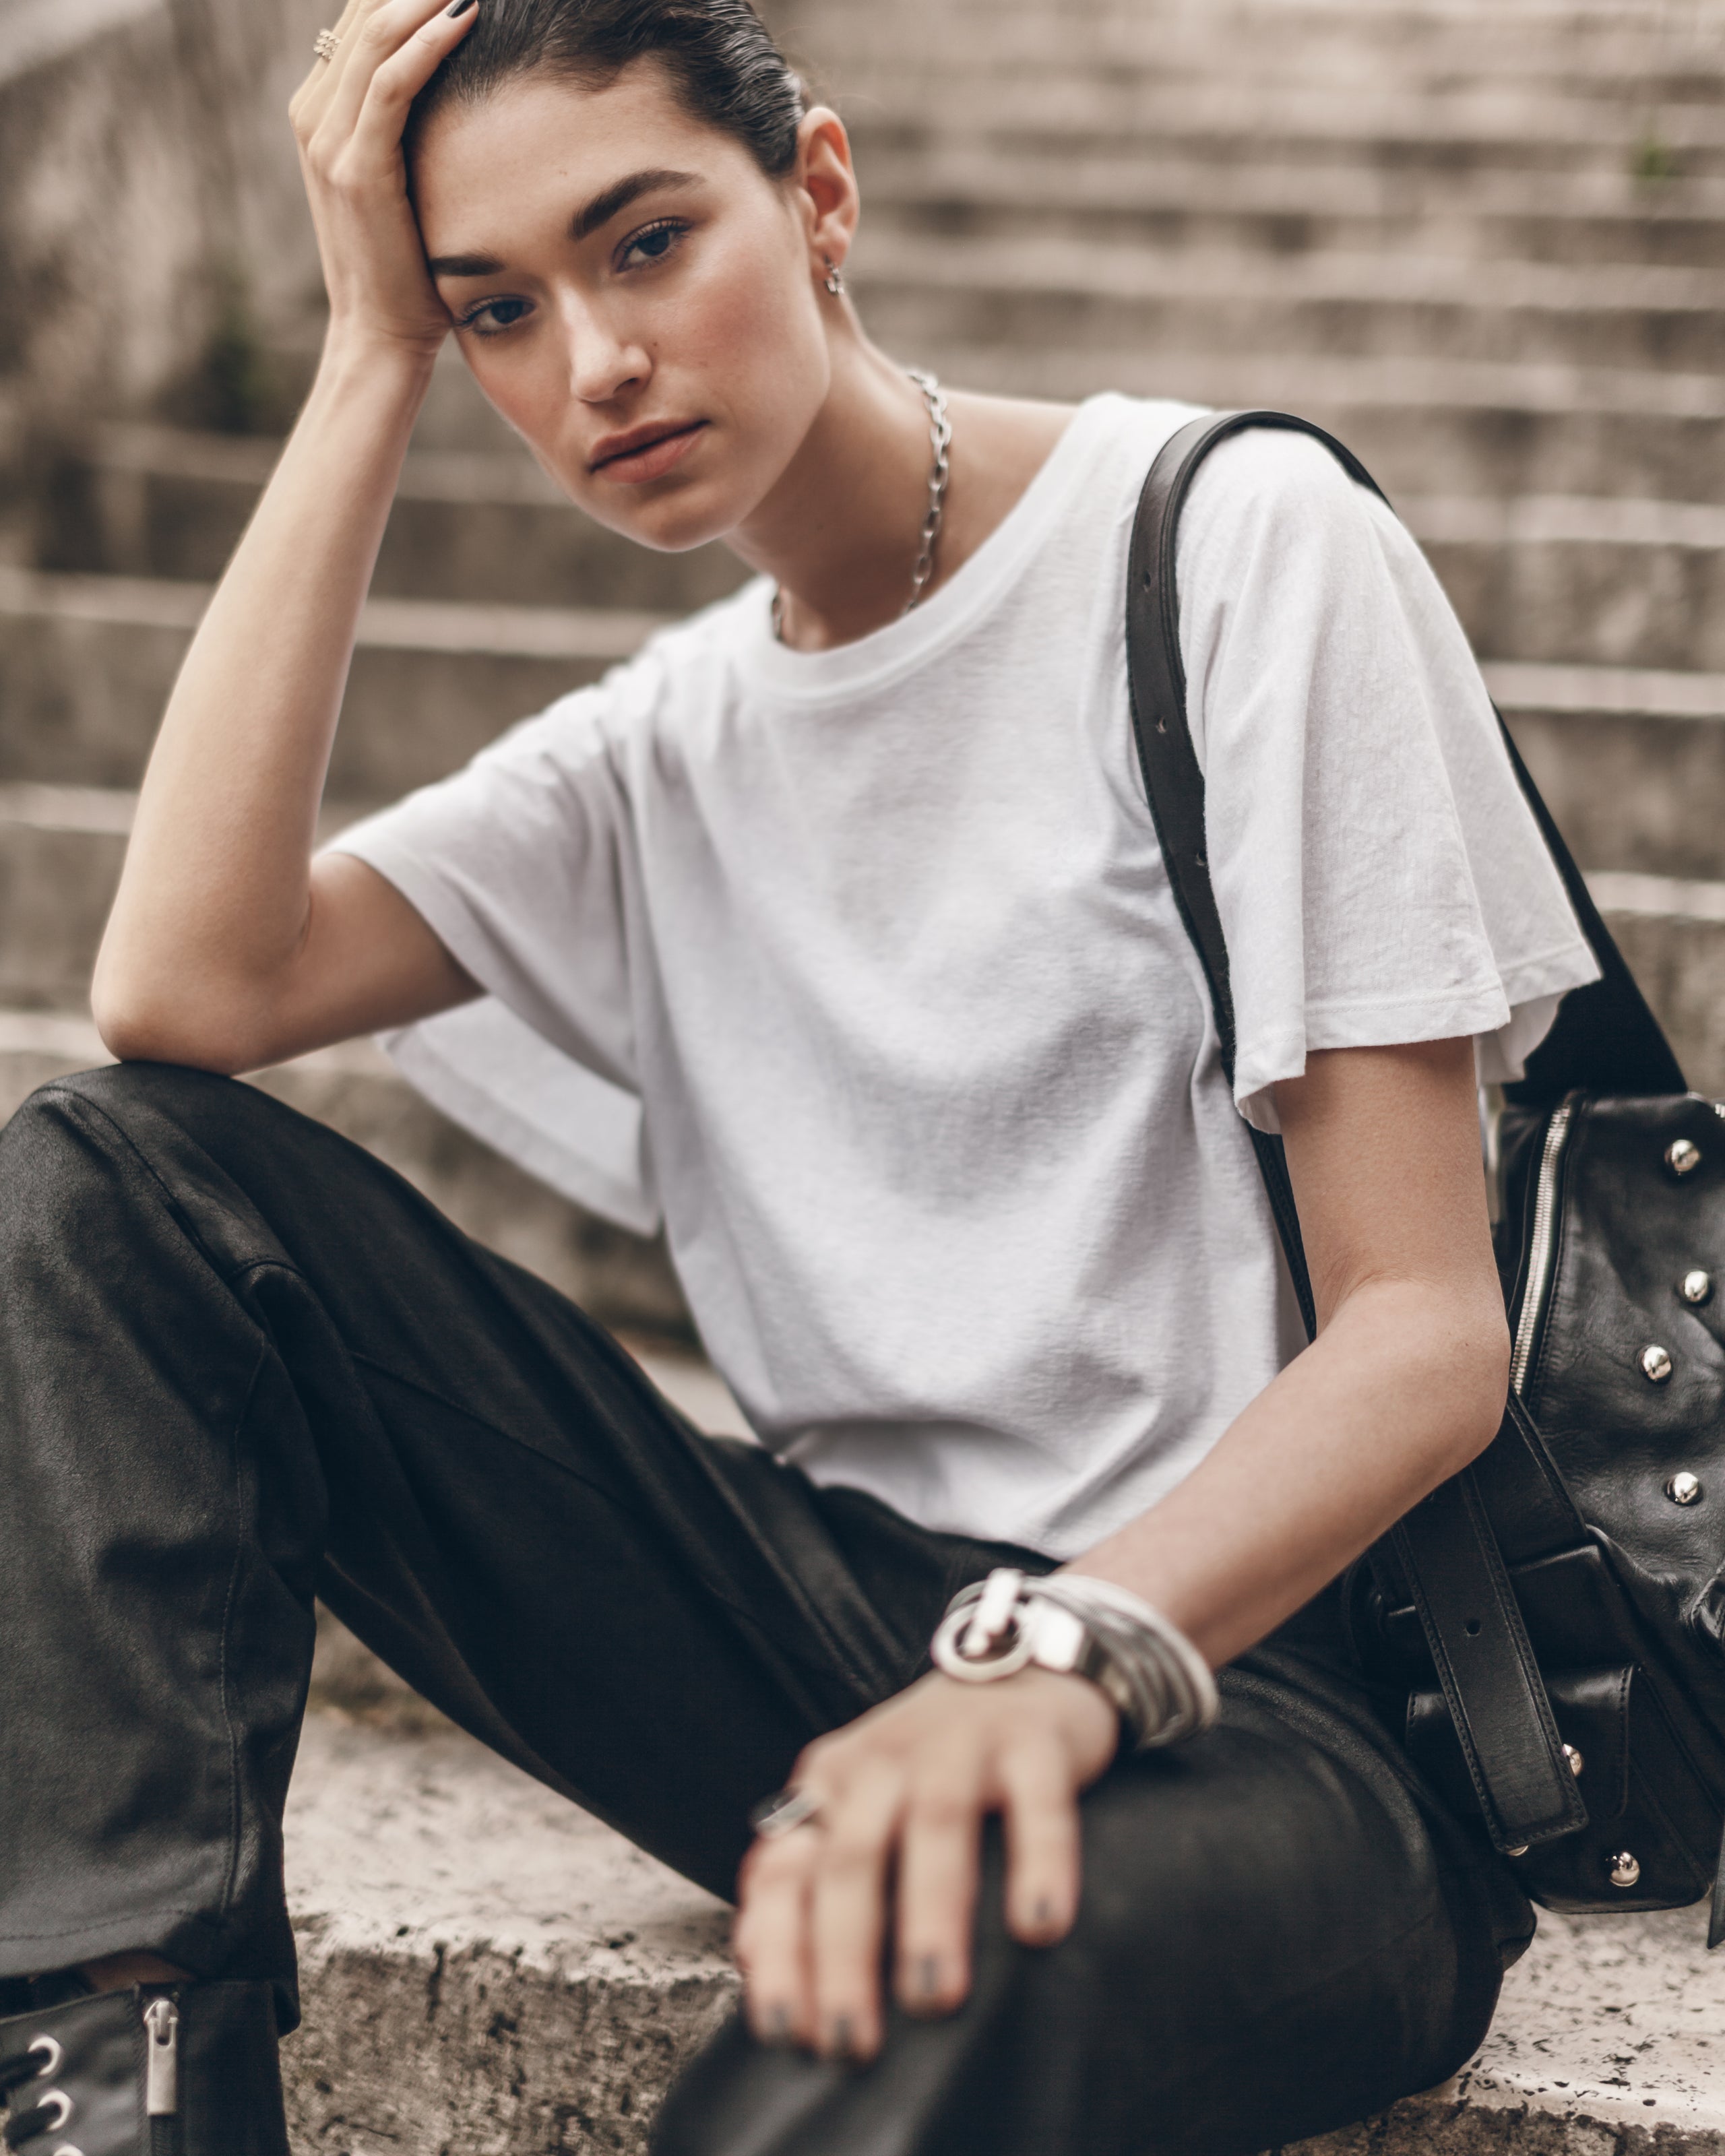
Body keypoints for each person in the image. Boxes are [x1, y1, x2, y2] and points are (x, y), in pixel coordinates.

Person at [0, 0, 1603, 2149]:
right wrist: (366, 353)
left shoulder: (1232, 544)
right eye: (497, 309)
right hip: (822, 1626)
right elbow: (182, 987)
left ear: (819, 194)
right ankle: (116, 2097)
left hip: (1264, 1696)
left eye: (646, 242)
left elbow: (1424, 1334)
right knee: (106, 1182)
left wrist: (1052, 1664)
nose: (594, 364)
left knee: (881, 2025)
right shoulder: (656, 751)